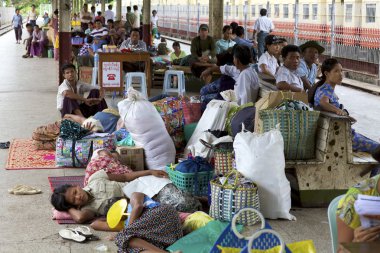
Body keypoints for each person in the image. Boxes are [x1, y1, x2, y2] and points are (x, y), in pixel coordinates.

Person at [51, 166, 183, 253]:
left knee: (123, 239)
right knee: (129, 247)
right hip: (162, 231)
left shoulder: (95, 179)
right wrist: (68, 208)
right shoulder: (88, 209)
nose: (78, 196)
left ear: (77, 185)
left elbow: (126, 177)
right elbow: (82, 219)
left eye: (75, 192)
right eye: (74, 200)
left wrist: (149, 171)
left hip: (152, 201)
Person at [311, 58, 379, 153]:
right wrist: (339, 111)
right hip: (342, 136)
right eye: (336, 71)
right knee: (378, 149)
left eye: (341, 71)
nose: (341, 74)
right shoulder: (326, 89)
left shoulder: (323, 87)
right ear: (326, 74)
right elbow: (323, 102)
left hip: (343, 132)